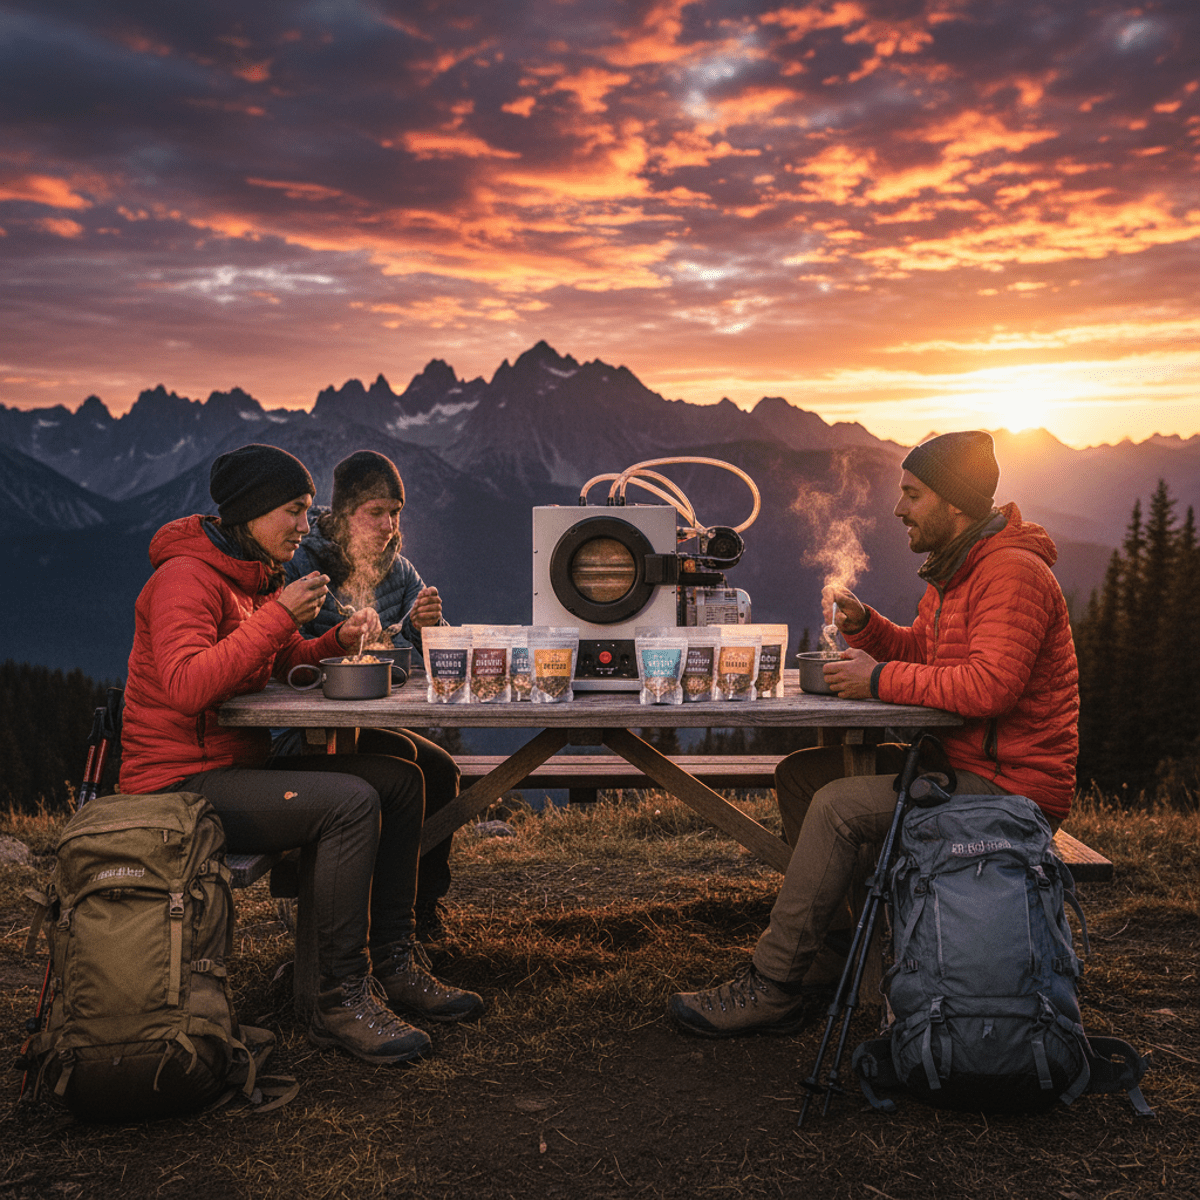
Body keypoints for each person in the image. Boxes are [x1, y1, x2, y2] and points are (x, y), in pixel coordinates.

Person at [667, 430, 1080, 1037]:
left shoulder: (1010, 574)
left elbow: (990, 686)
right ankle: (833, 954)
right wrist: (873, 631)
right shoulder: (960, 571)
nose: (899, 509)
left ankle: (774, 984)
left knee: (838, 807)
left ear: (954, 502)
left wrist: (880, 678)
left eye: (912, 495)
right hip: (962, 764)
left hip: (1011, 789)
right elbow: (935, 654)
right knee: (804, 776)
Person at [119, 443, 484, 1067]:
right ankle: (334, 1000)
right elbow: (185, 687)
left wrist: (330, 642)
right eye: (292, 509)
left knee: (399, 780)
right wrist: (278, 618)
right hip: (179, 784)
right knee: (348, 803)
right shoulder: (184, 578)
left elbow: (279, 662)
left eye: (308, 509)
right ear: (253, 511)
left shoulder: (249, 577)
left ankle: (393, 963)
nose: (301, 524)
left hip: (237, 767)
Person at [282, 449, 460, 944]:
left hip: (366, 719)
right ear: (343, 515)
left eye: (395, 512)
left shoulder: (399, 570)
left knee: (440, 771)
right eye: (375, 512)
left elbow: (432, 660)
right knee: (398, 778)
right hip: (302, 729)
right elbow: (283, 656)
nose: (388, 524)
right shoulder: (302, 564)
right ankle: (351, 918)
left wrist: (431, 628)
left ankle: (420, 907)